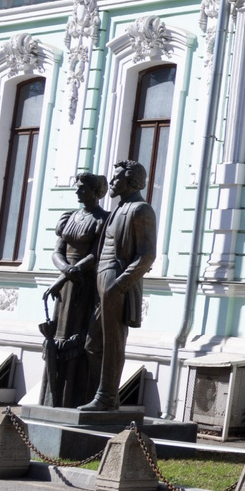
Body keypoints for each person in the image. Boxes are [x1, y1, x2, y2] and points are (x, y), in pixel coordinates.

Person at [81, 161, 155, 413]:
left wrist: (120, 285)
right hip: (103, 280)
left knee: (113, 342)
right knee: (93, 342)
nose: (111, 182)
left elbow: (147, 255)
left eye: (116, 178)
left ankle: (107, 396)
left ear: (132, 181)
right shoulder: (118, 209)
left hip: (116, 282)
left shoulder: (140, 209)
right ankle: (97, 394)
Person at [37, 173, 109, 408]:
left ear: (95, 191)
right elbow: (57, 251)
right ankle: (52, 398)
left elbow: (96, 255)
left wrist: (70, 273)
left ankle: (73, 397)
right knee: (57, 335)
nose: (77, 192)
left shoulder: (102, 220)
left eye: (82, 188)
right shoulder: (69, 217)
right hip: (66, 281)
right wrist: (65, 271)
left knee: (77, 334)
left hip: (85, 286)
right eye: (77, 188)